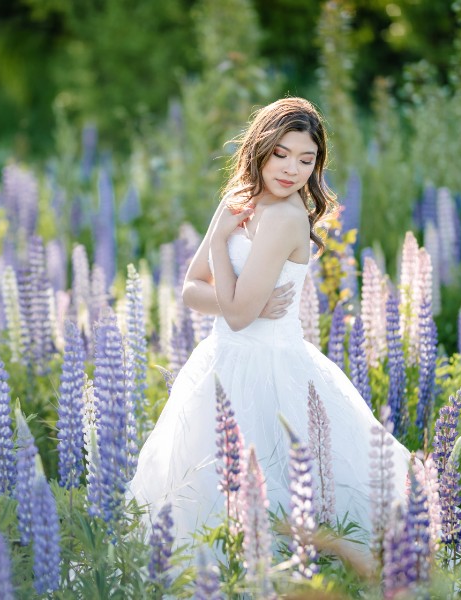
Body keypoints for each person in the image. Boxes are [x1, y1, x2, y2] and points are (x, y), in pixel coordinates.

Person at [127, 97, 412, 552]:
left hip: (274, 371)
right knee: (200, 497)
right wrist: (243, 300)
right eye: (281, 153)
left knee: (281, 494)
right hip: (219, 365)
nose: (291, 169)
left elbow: (237, 315)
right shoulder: (239, 201)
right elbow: (190, 289)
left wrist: (222, 241)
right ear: (260, 148)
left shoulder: (284, 217)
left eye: (306, 159)